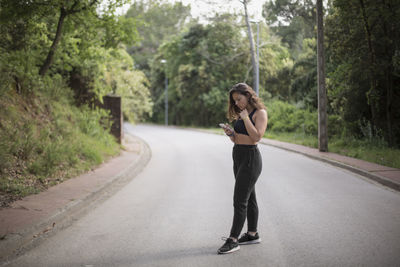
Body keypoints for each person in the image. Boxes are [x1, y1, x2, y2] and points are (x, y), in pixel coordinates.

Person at [218, 83, 268, 254]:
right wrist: (231, 133)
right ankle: (252, 234)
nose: (237, 103)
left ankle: (233, 240)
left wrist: (246, 118)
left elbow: (256, 137)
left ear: (248, 95)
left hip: (250, 159)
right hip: (238, 156)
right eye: (235, 101)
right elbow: (239, 138)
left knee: (239, 200)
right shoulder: (242, 113)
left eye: (239, 99)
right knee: (250, 196)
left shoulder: (259, 113)